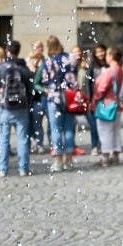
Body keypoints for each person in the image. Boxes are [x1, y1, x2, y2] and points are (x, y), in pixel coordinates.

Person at [34, 35, 78, 172]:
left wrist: (45, 90)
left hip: (54, 98)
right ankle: (69, 160)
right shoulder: (71, 58)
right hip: (70, 97)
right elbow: (75, 76)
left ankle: (58, 160)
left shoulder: (47, 62)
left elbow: (37, 82)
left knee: (56, 129)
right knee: (69, 129)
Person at [0, 40, 32, 178]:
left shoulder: (1, 68)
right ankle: (23, 169)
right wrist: (29, 105)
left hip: (5, 108)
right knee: (22, 140)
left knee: (3, 140)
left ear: (7, 50)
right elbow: (29, 89)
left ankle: (2, 169)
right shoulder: (23, 68)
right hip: (21, 108)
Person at [92, 46, 123, 166]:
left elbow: (101, 89)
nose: (105, 57)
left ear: (111, 56)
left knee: (105, 131)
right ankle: (116, 156)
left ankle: (105, 157)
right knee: (116, 131)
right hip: (118, 105)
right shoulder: (122, 71)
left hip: (107, 105)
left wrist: (95, 99)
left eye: (107, 55)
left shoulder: (109, 71)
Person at [84, 44, 108, 156]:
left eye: (102, 51)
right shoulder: (91, 66)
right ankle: (95, 145)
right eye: (98, 52)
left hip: (107, 99)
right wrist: (89, 99)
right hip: (94, 99)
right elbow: (87, 84)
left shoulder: (109, 64)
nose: (100, 54)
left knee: (105, 124)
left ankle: (105, 145)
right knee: (94, 125)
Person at [27, 40, 48, 154]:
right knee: (29, 123)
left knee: (37, 122)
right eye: (36, 47)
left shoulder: (45, 62)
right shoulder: (27, 61)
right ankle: (32, 143)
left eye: (40, 46)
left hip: (39, 97)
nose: (39, 49)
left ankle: (39, 143)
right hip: (29, 97)